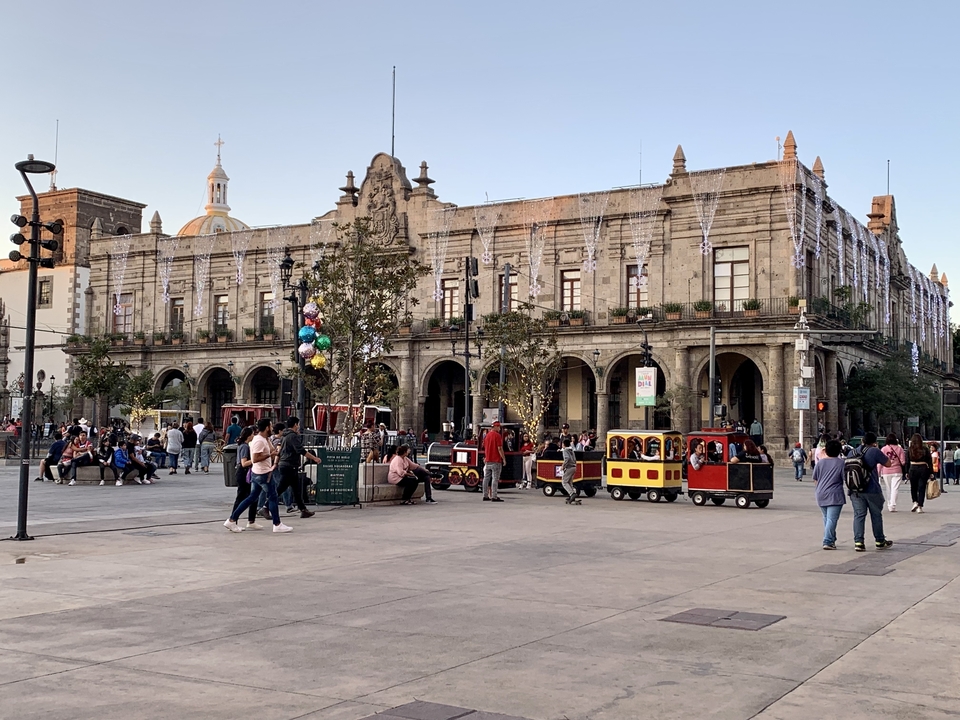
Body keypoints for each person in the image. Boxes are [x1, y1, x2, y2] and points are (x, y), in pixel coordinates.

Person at [226, 419, 292, 533]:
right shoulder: (259, 441)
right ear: (266, 427)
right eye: (270, 426)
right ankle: (277, 523)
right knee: (273, 496)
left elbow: (272, 452)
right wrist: (270, 454)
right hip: (262, 473)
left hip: (259, 473)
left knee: (252, 497)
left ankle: (232, 519)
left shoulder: (264, 439)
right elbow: (256, 458)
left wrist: (274, 451)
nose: (272, 428)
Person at [847, 431, 893, 552]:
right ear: (874, 442)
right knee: (876, 515)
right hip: (872, 488)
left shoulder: (852, 452)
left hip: (855, 489)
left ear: (862, 441)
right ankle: (879, 540)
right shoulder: (874, 451)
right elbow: (888, 463)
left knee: (859, 515)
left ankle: (859, 542)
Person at [275, 417, 319, 519]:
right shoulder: (292, 437)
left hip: (286, 464)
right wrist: (314, 458)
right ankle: (266, 506)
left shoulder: (284, 436)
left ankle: (303, 509)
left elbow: (280, 450)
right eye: (298, 424)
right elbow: (301, 450)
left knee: (296, 489)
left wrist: (276, 462)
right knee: (281, 488)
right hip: (289, 465)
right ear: (295, 424)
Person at [813, 439, 846, 550]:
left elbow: (815, 479)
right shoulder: (841, 463)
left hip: (820, 493)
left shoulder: (820, 462)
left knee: (827, 518)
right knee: (832, 519)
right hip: (834, 494)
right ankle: (827, 540)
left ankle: (831, 538)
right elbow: (844, 478)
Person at [230, 426, 263, 530]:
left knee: (253, 496)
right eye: (253, 434)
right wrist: (255, 460)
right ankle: (233, 520)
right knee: (242, 497)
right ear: (249, 436)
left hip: (244, 472)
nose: (254, 436)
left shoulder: (243, 445)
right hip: (243, 473)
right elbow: (244, 463)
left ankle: (251, 520)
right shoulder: (244, 446)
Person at [905, 433, 933, 513]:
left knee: (913, 487)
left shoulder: (909, 449)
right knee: (922, 487)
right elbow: (929, 461)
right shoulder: (925, 449)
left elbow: (907, 461)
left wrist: (906, 471)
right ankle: (920, 506)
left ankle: (915, 502)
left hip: (913, 468)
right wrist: (931, 472)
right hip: (923, 468)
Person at [879, 433, 906, 512]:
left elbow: (880, 462)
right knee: (895, 488)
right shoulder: (899, 449)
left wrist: (878, 471)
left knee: (888, 488)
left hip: (886, 471)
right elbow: (903, 462)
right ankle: (893, 505)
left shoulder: (883, 449)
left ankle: (889, 504)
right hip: (897, 471)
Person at [482, 421, 506, 502]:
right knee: (495, 479)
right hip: (496, 460)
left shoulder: (487, 436)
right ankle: (494, 496)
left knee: (486, 478)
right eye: (499, 427)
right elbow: (499, 448)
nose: (499, 428)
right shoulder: (497, 435)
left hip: (488, 460)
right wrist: (503, 458)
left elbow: (484, 447)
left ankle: (485, 495)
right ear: (495, 427)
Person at [560, 435, 580, 505]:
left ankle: (572, 494)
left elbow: (567, 458)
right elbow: (574, 459)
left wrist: (563, 466)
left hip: (569, 467)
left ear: (564, 444)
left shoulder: (565, 450)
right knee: (570, 482)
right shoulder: (571, 450)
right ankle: (572, 495)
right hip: (574, 466)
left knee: (564, 482)